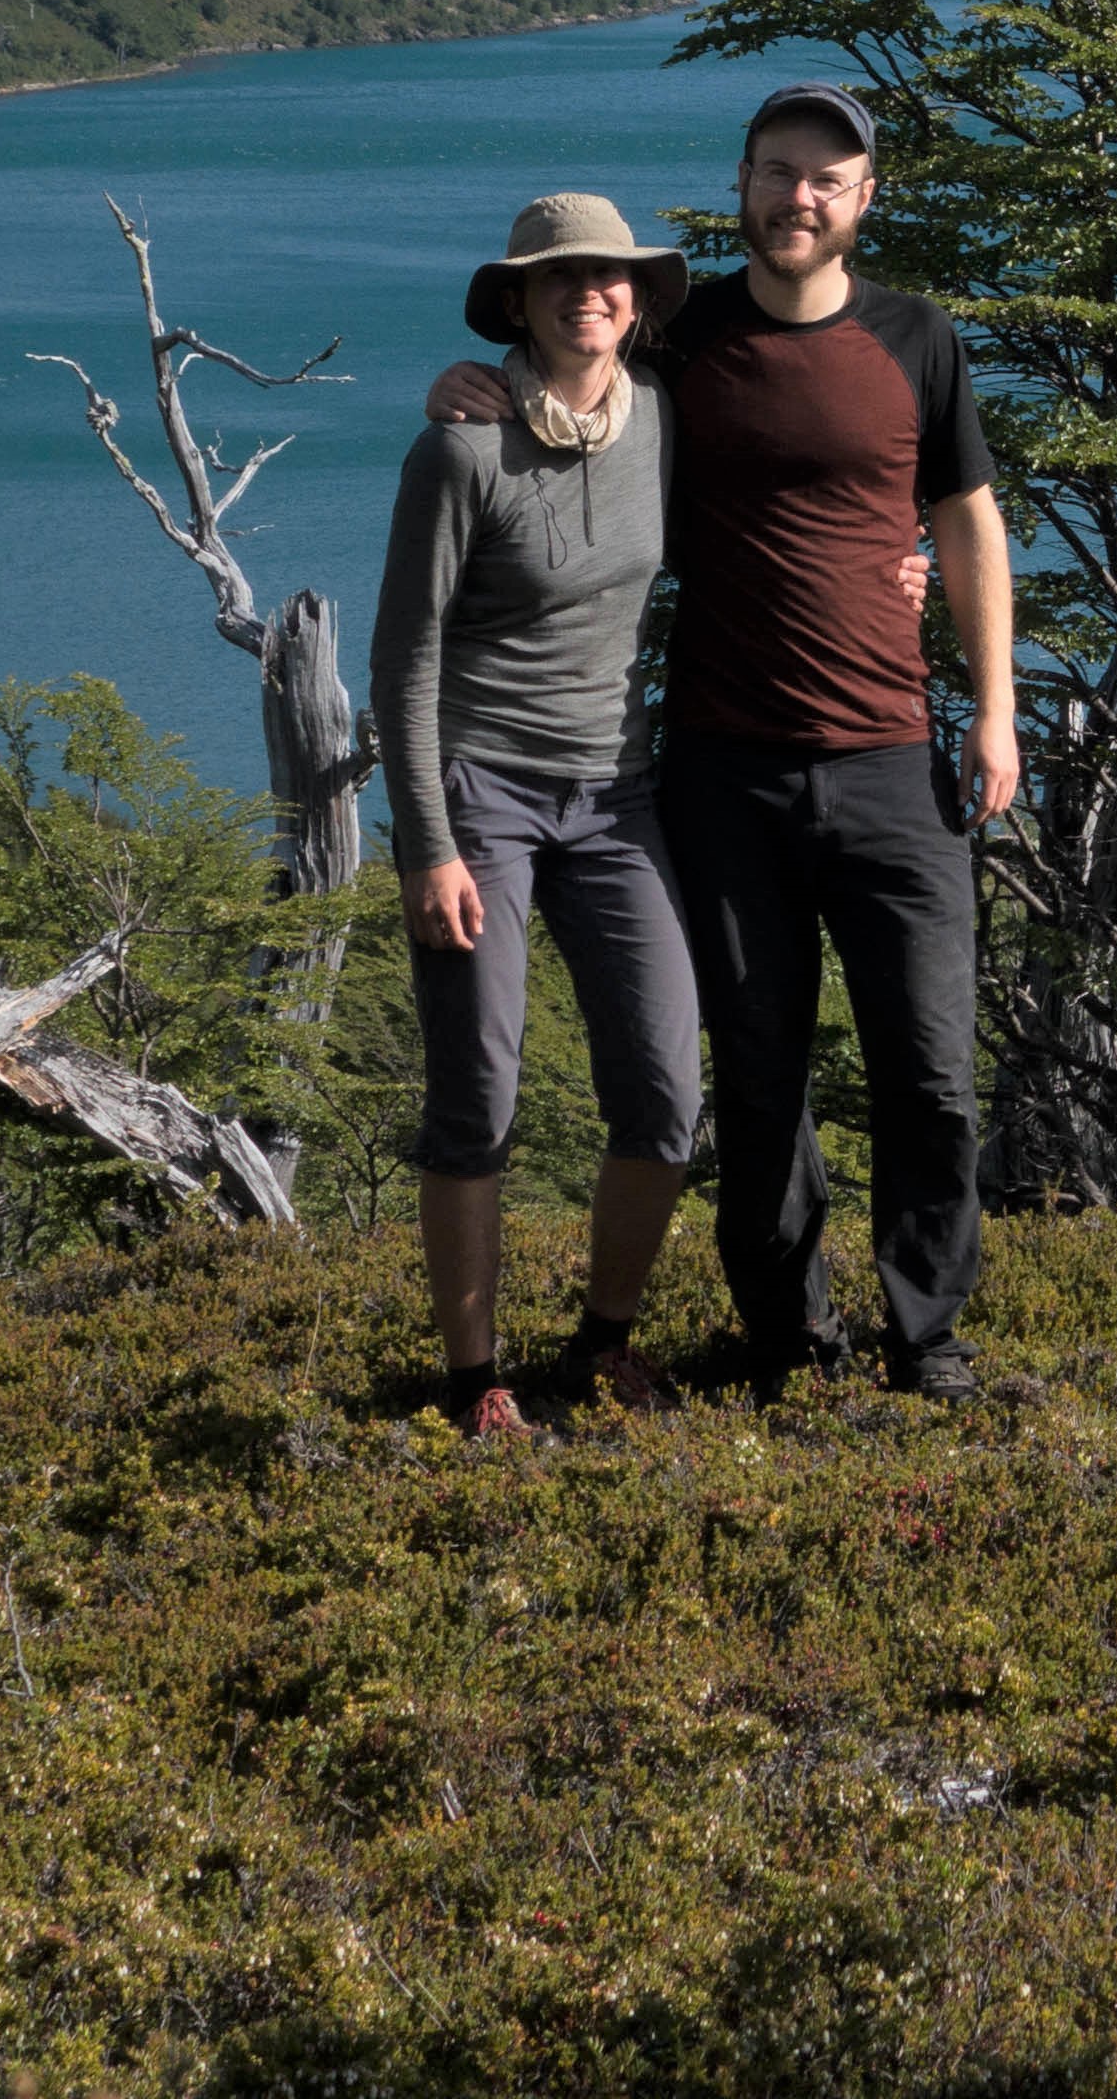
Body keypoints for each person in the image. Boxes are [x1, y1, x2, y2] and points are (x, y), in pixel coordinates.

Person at [442, 81, 1017, 1403]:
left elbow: (968, 522)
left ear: (865, 200)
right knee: (757, 1086)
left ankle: (925, 1343)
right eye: (776, 173)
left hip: (891, 763)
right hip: (722, 771)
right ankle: (788, 1343)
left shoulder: (916, 341)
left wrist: (994, 709)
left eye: (825, 179)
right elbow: (565, 380)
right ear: (744, 184)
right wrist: (473, 380)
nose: (796, 198)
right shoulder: (679, 342)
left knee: (930, 1077)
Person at [374, 192, 713, 1439]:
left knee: (666, 1088)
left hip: (619, 799)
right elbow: (404, 658)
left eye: (610, 277)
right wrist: (428, 843)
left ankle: (604, 1345)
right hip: (483, 800)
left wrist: (899, 558)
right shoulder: (459, 450)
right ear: (517, 300)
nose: (589, 295)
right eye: (558, 278)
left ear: (638, 300)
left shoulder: (664, 419)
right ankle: (474, 1383)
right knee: (480, 1094)